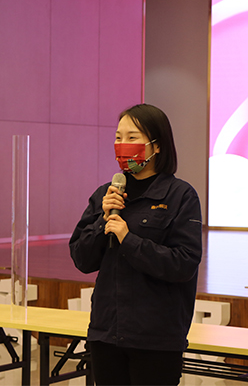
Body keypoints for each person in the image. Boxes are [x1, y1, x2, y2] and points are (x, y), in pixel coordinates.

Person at [69, 104, 203, 385]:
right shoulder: (106, 194)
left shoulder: (180, 195)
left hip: (156, 338)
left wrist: (128, 239)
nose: (123, 145)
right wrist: (102, 221)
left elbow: (184, 264)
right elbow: (82, 259)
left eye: (132, 137)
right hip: (106, 332)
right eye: (118, 137)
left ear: (157, 145)